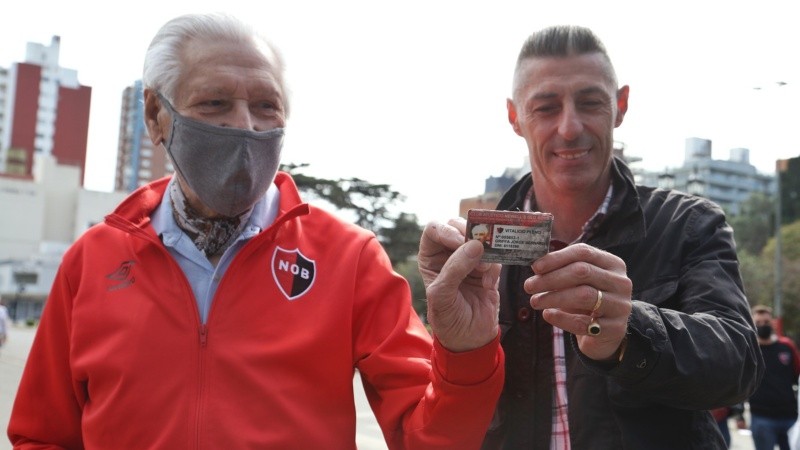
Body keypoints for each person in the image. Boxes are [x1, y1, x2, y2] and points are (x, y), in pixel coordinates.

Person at [7, 13, 504, 449]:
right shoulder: (91, 262)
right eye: (215, 103)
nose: (245, 126)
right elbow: (41, 435)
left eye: (266, 106)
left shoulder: (348, 259)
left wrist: (465, 350)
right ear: (157, 116)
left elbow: (429, 438)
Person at [418, 25, 763, 449]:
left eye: (590, 102)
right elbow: (442, 422)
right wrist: (456, 346)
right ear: (515, 117)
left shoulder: (687, 223)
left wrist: (630, 331)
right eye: (545, 107)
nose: (569, 127)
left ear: (620, 106)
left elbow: (740, 365)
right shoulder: (475, 255)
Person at [745, 305, 800, 450]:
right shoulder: (749, 350)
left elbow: (797, 374)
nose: (763, 325)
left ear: (773, 323)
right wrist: (738, 414)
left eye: (766, 322)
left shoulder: (787, 346)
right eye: (758, 323)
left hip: (789, 417)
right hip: (761, 417)